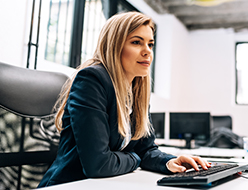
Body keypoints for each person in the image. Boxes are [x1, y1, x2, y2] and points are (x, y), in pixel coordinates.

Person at [37, 11, 210, 187]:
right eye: (136, 42)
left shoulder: (135, 91)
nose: (147, 52)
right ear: (114, 45)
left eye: (150, 44)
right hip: (70, 185)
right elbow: (99, 164)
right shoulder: (91, 80)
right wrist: (135, 158)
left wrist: (169, 161)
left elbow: (146, 149)